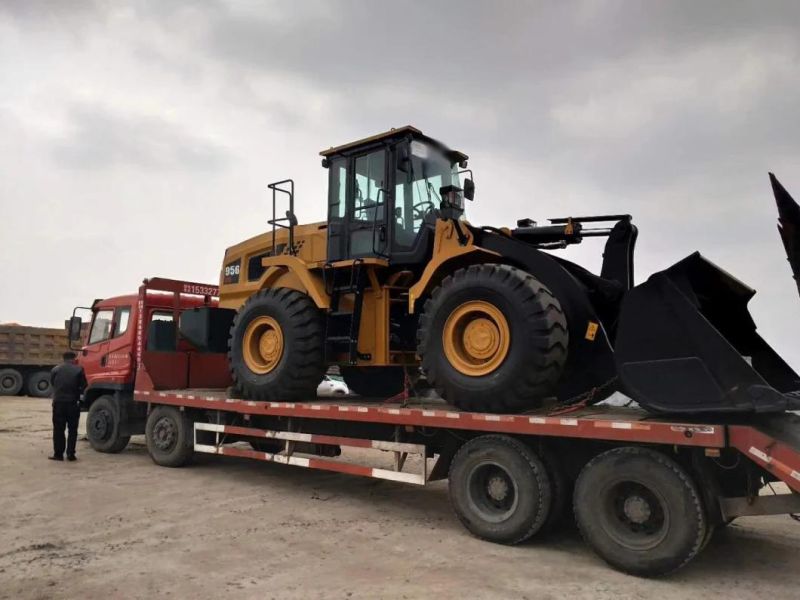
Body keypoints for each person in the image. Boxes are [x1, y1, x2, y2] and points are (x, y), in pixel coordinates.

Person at [49, 351, 87, 462]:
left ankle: (58, 454)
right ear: (74, 359)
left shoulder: (55, 369)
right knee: (72, 430)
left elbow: (53, 383)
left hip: (59, 403)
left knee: (58, 429)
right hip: (73, 403)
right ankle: (71, 454)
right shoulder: (79, 369)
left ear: (63, 358)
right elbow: (84, 386)